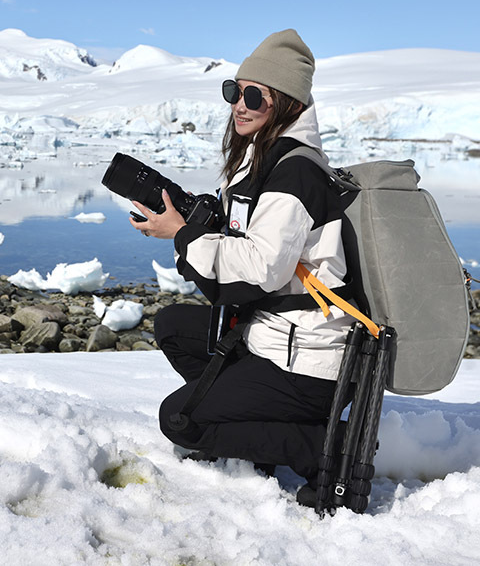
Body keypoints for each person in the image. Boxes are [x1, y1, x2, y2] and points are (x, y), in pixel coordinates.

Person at [129, 29, 354, 505]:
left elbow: (262, 269)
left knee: (180, 421)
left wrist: (184, 235)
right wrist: (201, 226)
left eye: (255, 96)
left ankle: (317, 448)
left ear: (289, 104)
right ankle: (255, 426)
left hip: (307, 360)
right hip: (274, 336)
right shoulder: (264, 160)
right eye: (234, 91)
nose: (239, 105)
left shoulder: (295, 171)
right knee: (173, 326)